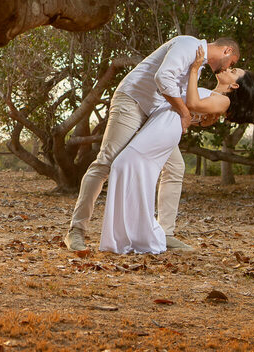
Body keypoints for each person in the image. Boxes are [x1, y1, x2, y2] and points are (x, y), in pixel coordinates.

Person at [64, 36, 240, 252]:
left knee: (176, 167)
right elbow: (163, 77)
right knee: (106, 163)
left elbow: (182, 98)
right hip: (133, 101)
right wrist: (185, 113)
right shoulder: (188, 45)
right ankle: (76, 231)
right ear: (227, 51)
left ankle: (164, 233)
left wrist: (198, 117)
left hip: (154, 114)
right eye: (232, 62)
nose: (230, 67)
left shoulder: (199, 64)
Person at [99, 46, 254, 254]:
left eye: (234, 71)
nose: (229, 69)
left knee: (125, 166)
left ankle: (146, 235)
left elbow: (191, 103)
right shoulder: (215, 97)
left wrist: (194, 69)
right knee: (131, 169)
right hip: (161, 122)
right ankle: (133, 234)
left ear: (235, 85)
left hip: (166, 127)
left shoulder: (223, 101)